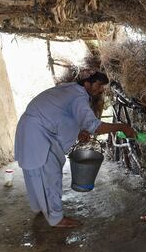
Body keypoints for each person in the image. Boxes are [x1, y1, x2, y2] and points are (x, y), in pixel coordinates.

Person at [14, 70, 135, 228]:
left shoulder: (69, 90)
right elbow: (94, 126)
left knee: (34, 174)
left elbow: (62, 116)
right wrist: (123, 126)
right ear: (87, 84)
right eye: (99, 85)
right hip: (38, 133)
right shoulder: (79, 96)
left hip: (28, 128)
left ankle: (40, 207)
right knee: (51, 175)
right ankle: (57, 219)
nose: (101, 90)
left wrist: (78, 132)